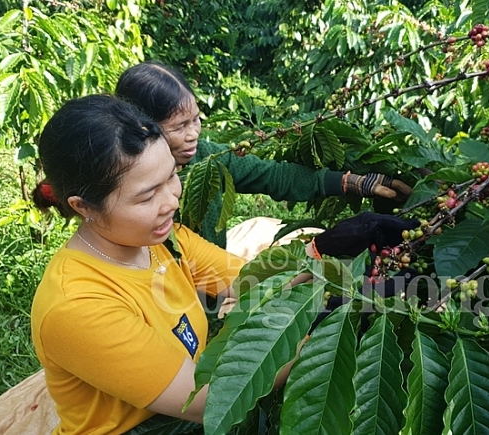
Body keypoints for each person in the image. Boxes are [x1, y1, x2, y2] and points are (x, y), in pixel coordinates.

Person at [29, 94, 419, 434]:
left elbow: (253, 282)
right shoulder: (76, 305)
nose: (172, 200)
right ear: (84, 207)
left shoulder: (169, 242)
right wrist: (341, 329)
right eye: (147, 196)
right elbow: (211, 399)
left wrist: (324, 247)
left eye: (172, 178)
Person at [114, 61, 413, 248]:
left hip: (212, 284)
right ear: (144, 127)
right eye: (179, 126)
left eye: (196, 120)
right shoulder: (128, 186)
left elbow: (274, 176)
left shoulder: (208, 158)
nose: (194, 133)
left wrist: (354, 182)